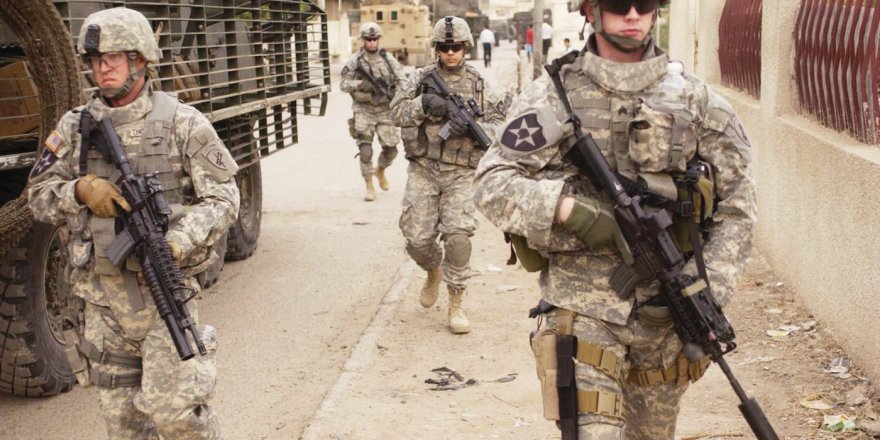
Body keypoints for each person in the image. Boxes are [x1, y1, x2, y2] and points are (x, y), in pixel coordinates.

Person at [474, 0, 756, 438]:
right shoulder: (553, 96)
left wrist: (707, 291)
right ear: (591, 10)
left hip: (668, 316)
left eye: (645, 4)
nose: (633, 15)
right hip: (583, 308)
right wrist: (570, 210)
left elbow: (738, 206)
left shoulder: (696, 101)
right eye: (619, 3)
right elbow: (491, 182)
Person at [27, 7, 239, 439]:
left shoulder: (182, 122)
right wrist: (80, 190)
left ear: (140, 60)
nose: (102, 68)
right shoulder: (74, 127)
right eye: (95, 60)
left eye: (113, 58)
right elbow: (36, 195)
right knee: (123, 426)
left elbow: (224, 197)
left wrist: (179, 241)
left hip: (164, 296)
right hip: (101, 302)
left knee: (178, 418)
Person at [391, 16, 506, 334]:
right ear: (436, 49)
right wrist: (425, 103)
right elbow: (396, 112)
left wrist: (473, 127)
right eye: (444, 47)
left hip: (461, 172)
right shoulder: (419, 80)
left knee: (458, 237)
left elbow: (502, 126)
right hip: (424, 168)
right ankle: (433, 270)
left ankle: (456, 302)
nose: (450, 52)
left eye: (456, 47)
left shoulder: (480, 84)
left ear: (466, 48)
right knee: (417, 240)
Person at [340, 22, 406, 201]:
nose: (371, 42)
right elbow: (343, 84)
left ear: (379, 39)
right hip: (364, 110)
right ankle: (369, 185)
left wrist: (398, 95)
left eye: (374, 39)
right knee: (365, 150)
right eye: (368, 39)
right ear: (363, 40)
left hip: (385, 110)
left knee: (391, 150)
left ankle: (380, 170)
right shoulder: (355, 60)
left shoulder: (388, 58)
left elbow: (402, 80)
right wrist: (361, 84)